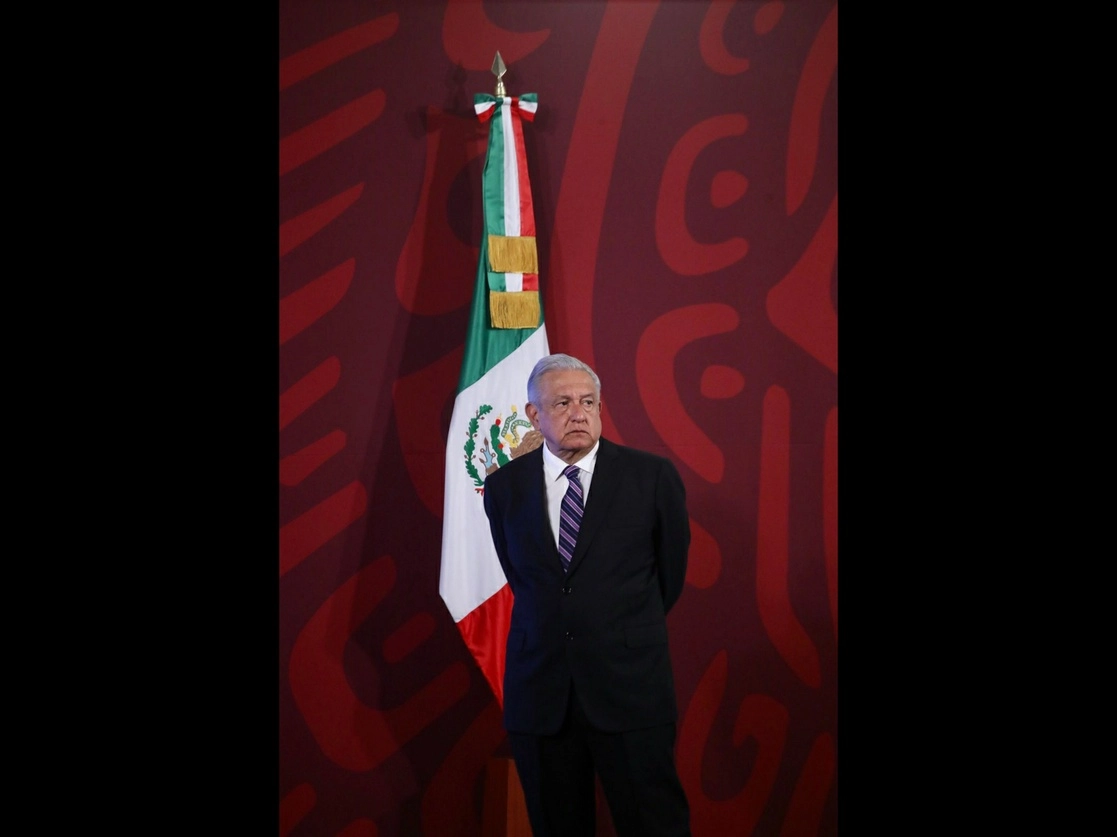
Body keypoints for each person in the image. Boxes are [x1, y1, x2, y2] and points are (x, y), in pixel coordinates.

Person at [483, 352, 691, 837]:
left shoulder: (651, 478)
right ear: (534, 415)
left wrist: (613, 628)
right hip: (542, 695)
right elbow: (522, 576)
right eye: (562, 403)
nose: (578, 413)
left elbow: (669, 577)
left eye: (588, 402)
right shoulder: (505, 487)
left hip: (630, 691)